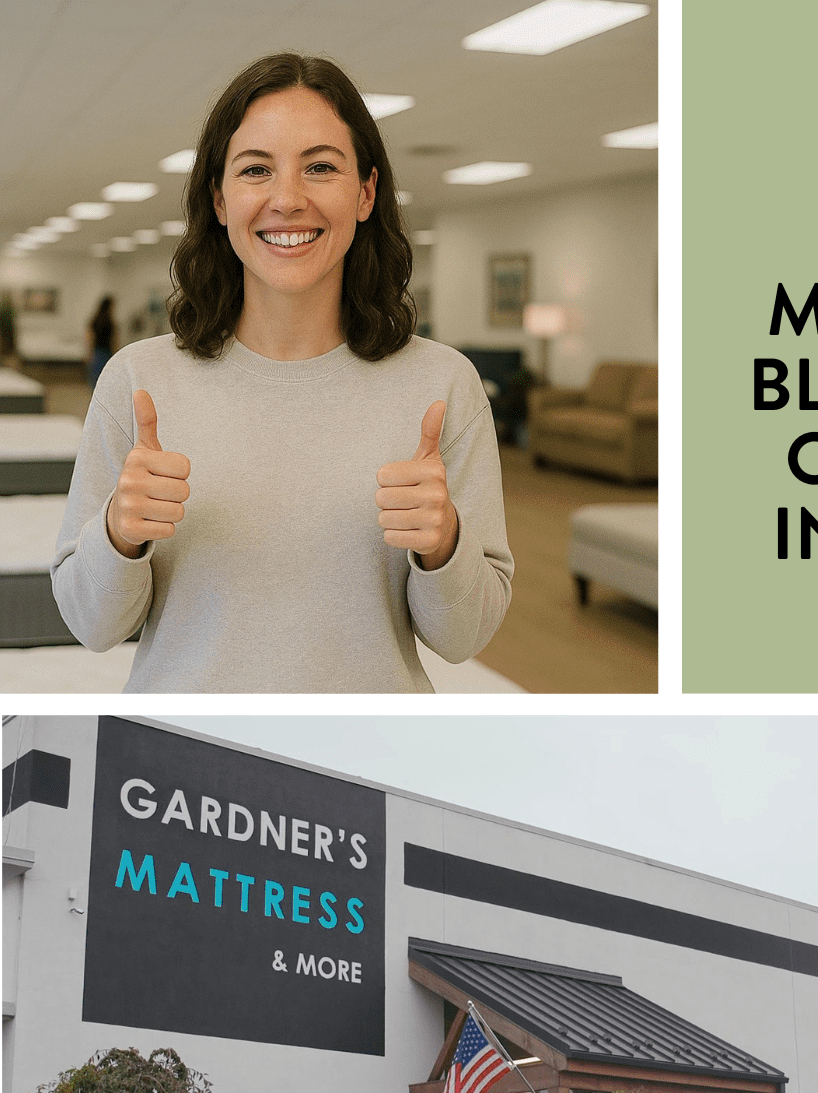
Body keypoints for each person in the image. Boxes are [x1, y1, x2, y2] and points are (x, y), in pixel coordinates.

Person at [52, 53, 512, 692]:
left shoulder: (442, 385)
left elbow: (464, 639)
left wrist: (444, 545)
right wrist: (118, 533)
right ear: (219, 199)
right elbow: (91, 625)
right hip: (182, 745)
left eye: (321, 167)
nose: (288, 200)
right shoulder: (137, 380)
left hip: (368, 745)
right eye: (255, 169)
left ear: (366, 193)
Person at [86, 296, 116, 387]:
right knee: (106, 379)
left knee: (96, 380)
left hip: (97, 352)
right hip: (106, 352)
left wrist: (89, 353)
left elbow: (90, 338)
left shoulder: (95, 320)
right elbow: (114, 340)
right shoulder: (110, 322)